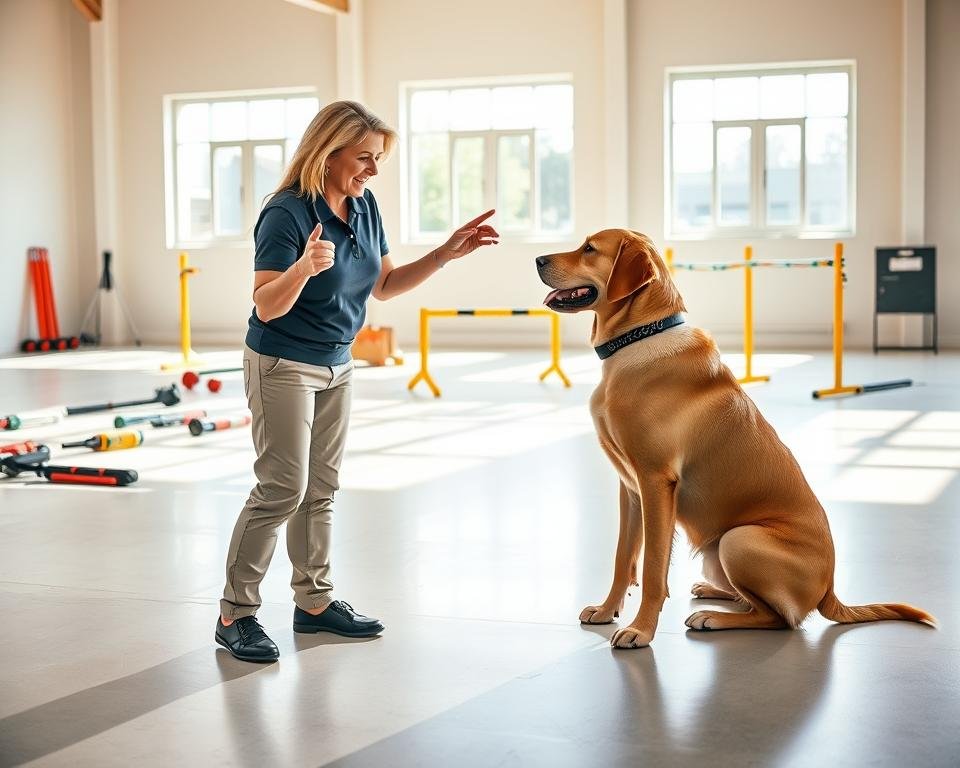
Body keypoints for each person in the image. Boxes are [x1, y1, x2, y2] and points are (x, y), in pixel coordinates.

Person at [215, 100, 499, 662]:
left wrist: (447, 252)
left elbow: (386, 285)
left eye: (377, 160)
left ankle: (313, 604)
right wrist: (302, 267)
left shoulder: (363, 206)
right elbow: (267, 306)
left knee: (320, 490)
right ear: (328, 151)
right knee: (281, 490)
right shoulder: (286, 214)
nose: (372, 170)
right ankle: (235, 614)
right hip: (283, 362)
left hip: (338, 363)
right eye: (364, 158)